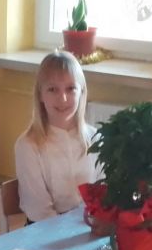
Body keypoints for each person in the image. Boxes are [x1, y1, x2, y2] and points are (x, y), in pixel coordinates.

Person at [14, 51, 98, 222]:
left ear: (81, 92)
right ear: (40, 95)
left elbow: (106, 195)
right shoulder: (28, 145)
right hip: (46, 230)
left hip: (91, 226)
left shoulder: (96, 138)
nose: (63, 98)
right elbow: (39, 210)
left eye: (70, 88)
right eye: (52, 89)